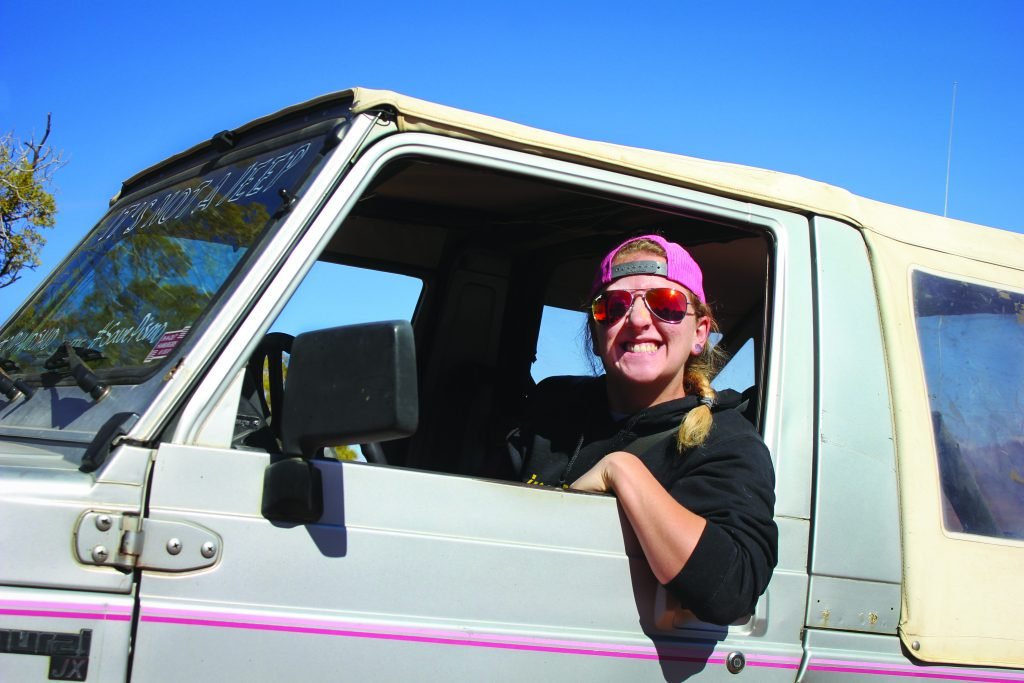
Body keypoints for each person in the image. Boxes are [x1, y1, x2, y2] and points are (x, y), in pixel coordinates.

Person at [511, 234, 777, 625]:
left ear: (700, 333)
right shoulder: (552, 408)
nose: (636, 320)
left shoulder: (727, 441)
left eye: (666, 304)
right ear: (595, 331)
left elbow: (730, 591)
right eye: (613, 306)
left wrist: (622, 470)